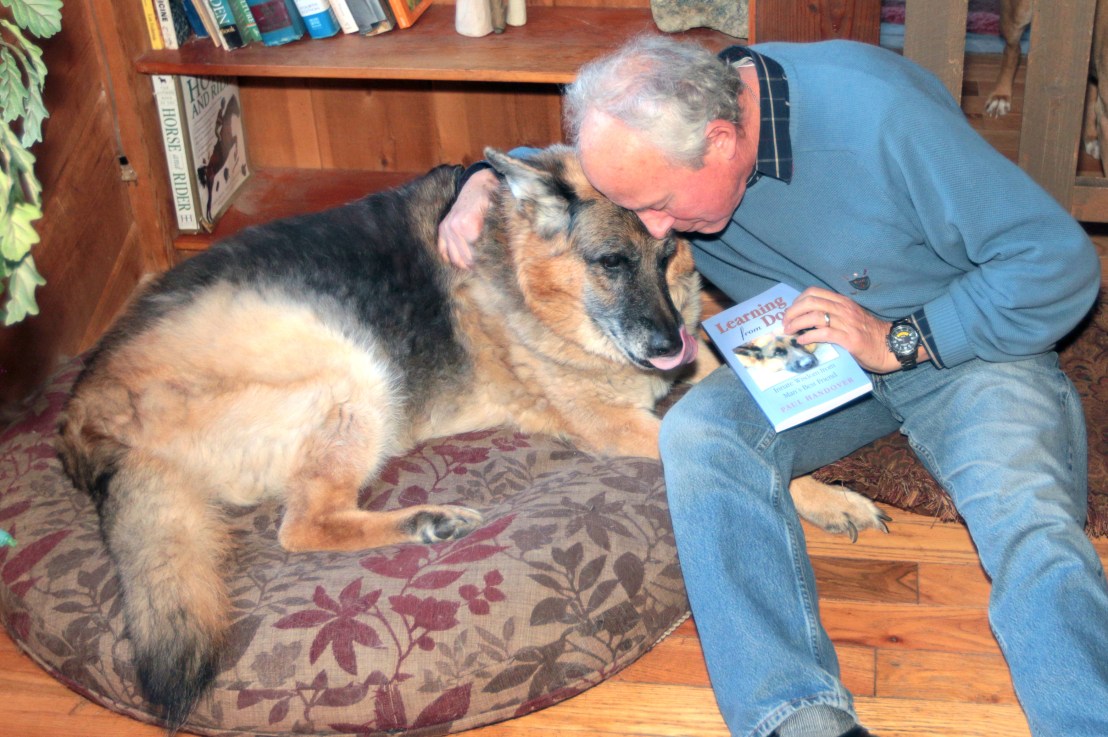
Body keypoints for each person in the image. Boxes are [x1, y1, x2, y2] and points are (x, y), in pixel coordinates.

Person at [437, 35, 1108, 737]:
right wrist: (472, 185)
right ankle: (797, 716)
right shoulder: (659, 134)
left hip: (965, 338)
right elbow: (560, 174)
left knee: (1027, 518)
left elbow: (1056, 262)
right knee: (701, 432)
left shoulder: (879, 118)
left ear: (723, 141)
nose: (658, 231)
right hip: (815, 344)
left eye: (662, 206)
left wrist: (898, 340)